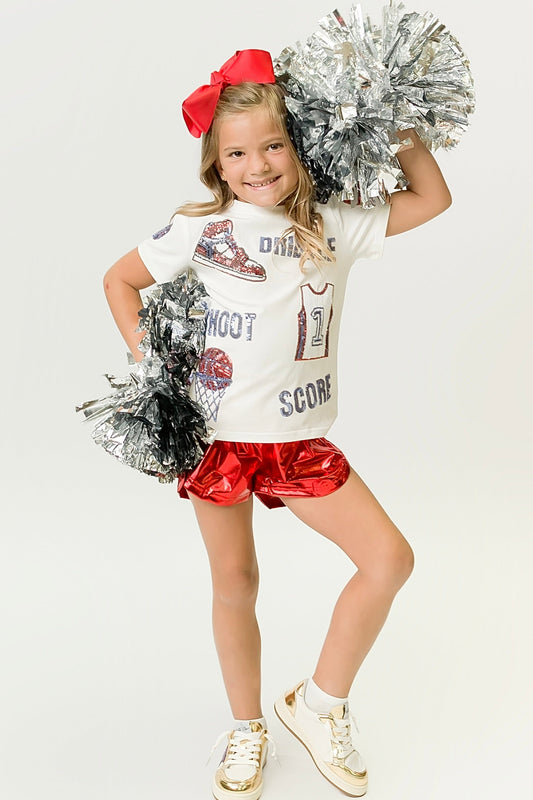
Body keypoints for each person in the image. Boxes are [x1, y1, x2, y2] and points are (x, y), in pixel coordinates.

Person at [103, 50, 451, 800]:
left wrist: (392, 117)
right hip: (218, 442)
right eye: (237, 152)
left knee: (387, 559)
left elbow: (431, 198)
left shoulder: (331, 225)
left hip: (297, 444)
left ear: (298, 146)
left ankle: (318, 704)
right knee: (235, 583)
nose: (257, 163)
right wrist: (152, 368)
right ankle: (245, 727)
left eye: (272, 144)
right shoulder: (199, 230)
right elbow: (119, 279)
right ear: (217, 167)